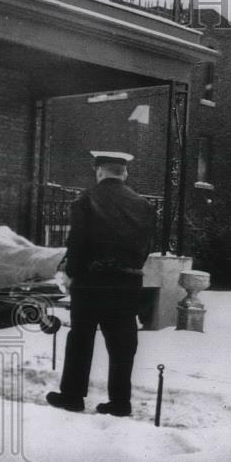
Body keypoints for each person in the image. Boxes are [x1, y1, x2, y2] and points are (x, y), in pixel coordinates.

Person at [47, 152, 156, 416]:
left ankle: (72, 396)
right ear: (124, 173)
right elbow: (147, 247)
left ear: (99, 172)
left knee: (81, 339)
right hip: (128, 283)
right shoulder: (144, 205)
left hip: (91, 282)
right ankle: (120, 402)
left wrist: (73, 273)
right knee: (122, 343)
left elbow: (77, 243)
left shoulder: (85, 200)